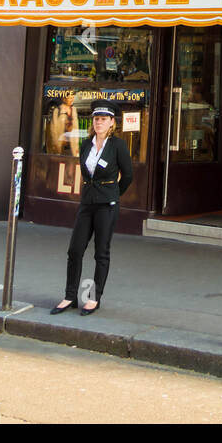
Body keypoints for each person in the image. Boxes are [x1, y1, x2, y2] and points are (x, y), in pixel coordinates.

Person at [50, 104, 133, 316]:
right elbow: (86, 173)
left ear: (112, 122)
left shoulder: (118, 145)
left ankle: (94, 298)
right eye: (97, 118)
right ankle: (70, 296)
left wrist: (113, 194)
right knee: (75, 249)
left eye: (104, 119)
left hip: (107, 205)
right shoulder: (86, 144)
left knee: (101, 253)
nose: (99, 122)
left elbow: (128, 176)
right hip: (87, 203)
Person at [45, 90, 80, 157]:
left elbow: (76, 127)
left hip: (72, 145)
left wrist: (76, 145)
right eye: (70, 98)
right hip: (60, 145)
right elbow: (53, 129)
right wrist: (55, 144)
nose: (72, 100)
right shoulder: (57, 110)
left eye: (73, 97)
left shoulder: (74, 110)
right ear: (64, 99)